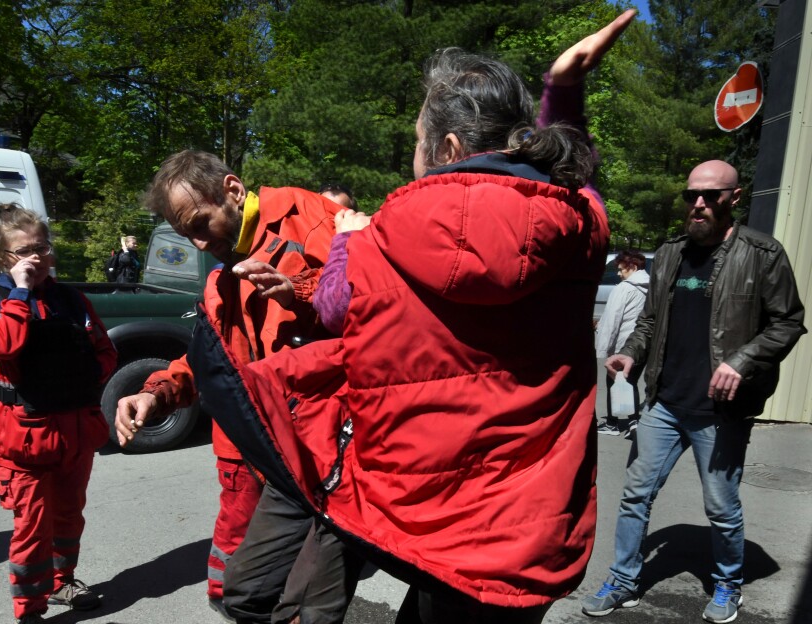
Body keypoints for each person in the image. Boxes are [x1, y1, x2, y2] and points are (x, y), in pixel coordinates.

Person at [179, 11, 636, 624]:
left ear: (447, 150)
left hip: (425, 511)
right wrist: (563, 91)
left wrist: (345, 239)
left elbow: (336, 311)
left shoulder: (379, 238)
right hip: (528, 525)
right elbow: (573, 176)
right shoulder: (581, 225)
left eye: (420, 140)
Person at [112, 150, 353, 624]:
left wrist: (302, 293)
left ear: (234, 190)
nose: (199, 243)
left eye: (201, 224)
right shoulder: (222, 277)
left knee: (305, 603)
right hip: (267, 452)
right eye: (186, 235)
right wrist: (155, 392)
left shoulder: (312, 220)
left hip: (326, 453)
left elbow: (375, 309)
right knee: (246, 593)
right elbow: (212, 357)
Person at [580, 160, 806, 623]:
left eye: (710, 196)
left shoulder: (763, 254)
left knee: (721, 506)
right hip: (664, 403)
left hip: (721, 411)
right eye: (691, 196)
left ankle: (727, 584)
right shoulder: (670, 254)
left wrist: (742, 361)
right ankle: (623, 580)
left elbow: (788, 322)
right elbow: (649, 322)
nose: (698, 204)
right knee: (635, 496)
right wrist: (630, 354)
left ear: (734, 198)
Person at [0, 203, 117, 624]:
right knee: (32, 527)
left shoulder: (71, 299)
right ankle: (30, 610)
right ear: (2, 257)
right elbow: (2, 345)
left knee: (68, 517)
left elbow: (105, 350)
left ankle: (62, 581)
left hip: (74, 431)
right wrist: (20, 293)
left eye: (42, 247)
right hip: (21, 439)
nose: (37, 258)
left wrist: (81, 375)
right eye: (24, 251)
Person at [594, 250, 649, 438]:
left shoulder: (623, 289)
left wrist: (603, 349)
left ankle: (612, 423)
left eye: (621, 269)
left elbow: (612, 320)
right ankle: (634, 423)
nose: (618, 273)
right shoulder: (650, 287)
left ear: (632, 266)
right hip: (641, 344)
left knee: (613, 382)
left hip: (622, 345)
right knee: (630, 382)